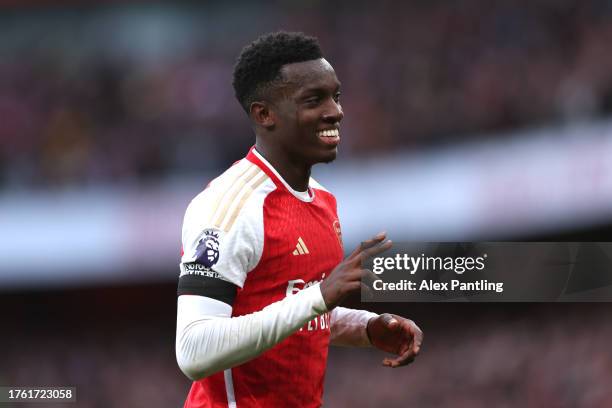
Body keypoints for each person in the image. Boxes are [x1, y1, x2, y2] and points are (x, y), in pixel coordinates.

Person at [175, 31, 423, 408]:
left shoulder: (322, 200)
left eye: (335, 96)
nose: (336, 112)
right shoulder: (228, 208)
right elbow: (193, 350)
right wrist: (320, 296)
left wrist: (366, 328)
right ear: (264, 114)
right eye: (314, 100)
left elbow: (297, 307)